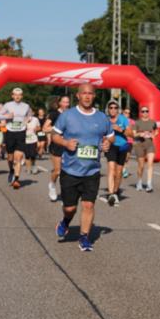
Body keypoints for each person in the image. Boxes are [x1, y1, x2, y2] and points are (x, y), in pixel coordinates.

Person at [50, 83, 114, 252]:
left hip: (92, 171)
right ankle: (65, 221)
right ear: (77, 96)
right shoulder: (68, 116)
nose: (87, 96)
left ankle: (84, 237)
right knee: (70, 208)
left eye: (90, 93)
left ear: (94, 96)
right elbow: (54, 135)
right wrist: (65, 142)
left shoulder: (101, 117)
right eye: (83, 93)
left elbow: (110, 136)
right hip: (70, 170)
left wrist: (107, 143)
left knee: (88, 205)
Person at [0, 87, 33, 189]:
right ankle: (11, 171)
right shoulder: (7, 105)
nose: (17, 96)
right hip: (10, 132)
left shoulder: (26, 106)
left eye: (19, 95)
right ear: (12, 95)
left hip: (21, 132)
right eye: (15, 94)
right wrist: (7, 116)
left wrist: (28, 120)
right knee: (10, 157)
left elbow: (30, 115)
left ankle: (17, 179)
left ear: (22, 96)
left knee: (18, 157)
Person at [104, 100, 132, 206]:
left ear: (118, 109)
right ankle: (111, 194)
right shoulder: (105, 120)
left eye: (115, 108)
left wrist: (121, 129)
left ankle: (115, 192)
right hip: (111, 146)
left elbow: (131, 134)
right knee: (111, 168)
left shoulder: (123, 119)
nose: (113, 110)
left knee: (119, 172)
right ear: (108, 109)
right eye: (111, 107)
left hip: (122, 146)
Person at [46, 95, 71, 202]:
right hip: (57, 145)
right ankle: (52, 185)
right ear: (59, 103)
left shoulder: (72, 114)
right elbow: (45, 128)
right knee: (57, 171)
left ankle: (67, 193)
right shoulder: (54, 114)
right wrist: (57, 128)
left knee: (68, 171)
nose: (65, 104)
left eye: (67, 102)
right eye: (64, 102)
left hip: (68, 144)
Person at [132, 106, 158, 192]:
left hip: (150, 145)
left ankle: (149, 184)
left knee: (150, 164)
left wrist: (154, 135)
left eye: (146, 111)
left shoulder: (152, 122)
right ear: (141, 113)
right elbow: (134, 134)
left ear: (148, 112)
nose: (145, 113)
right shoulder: (137, 123)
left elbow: (156, 131)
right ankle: (139, 182)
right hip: (139, 145)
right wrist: (140, 134)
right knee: (141, 166)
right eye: (143, 111)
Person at [24, 108, 41, 175]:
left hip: (33, 139)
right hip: (25, 140)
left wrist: (36, 129)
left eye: (30, 112)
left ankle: (33, 165)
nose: (29, 113)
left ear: (32, 113)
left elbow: (39, 127)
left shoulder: (35, 119)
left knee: (33, 155)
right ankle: (28, 169)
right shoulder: (23, 119)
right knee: (27, 155)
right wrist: (26, 122)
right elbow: (20, 128)